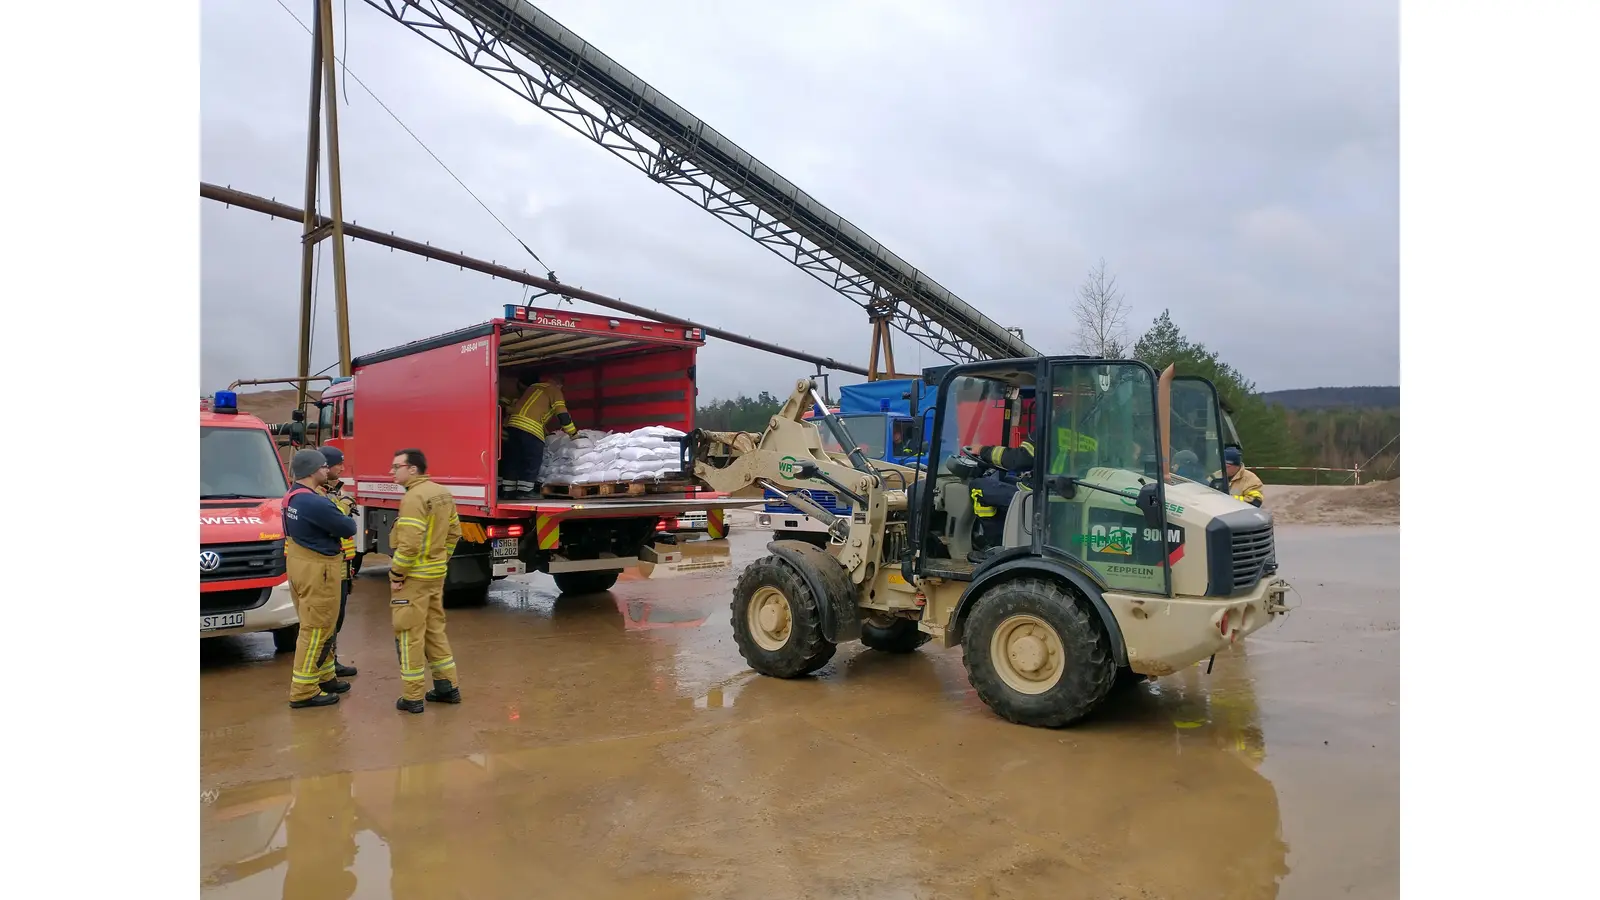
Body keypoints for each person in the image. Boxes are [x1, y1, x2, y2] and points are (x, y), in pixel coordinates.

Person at [388, 448, 464, 714]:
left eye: (396, 466)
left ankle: (412, 697)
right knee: (434, 630)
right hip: (434, 575)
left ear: (412, 469)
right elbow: (455, 532)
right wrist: (442, 560)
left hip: (414, 579)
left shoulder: (413, 498)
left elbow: (408, 545)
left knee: (409, 634)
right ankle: (447, 687)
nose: (391, 471)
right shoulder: (442, 492)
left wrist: (397, 574)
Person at [282, 449, 358, 709]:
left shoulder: (292, 497)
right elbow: (349, 528)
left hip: (301, 567)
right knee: (316, 630)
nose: (328, 470)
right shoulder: (314, 502)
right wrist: (346, 505)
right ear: (312, 470)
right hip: (319, 571)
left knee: (320, 626)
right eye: (324, 467)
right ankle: (304, 690)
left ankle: (325, 676)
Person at [502, 372, 580, 499]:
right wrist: (573, 434)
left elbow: (531, 412)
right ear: (559, 385)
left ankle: (508, 492)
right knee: (532, 460)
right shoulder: (555, 391)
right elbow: (562, 414)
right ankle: (525, 492)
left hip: (513, 426)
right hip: (530, 428)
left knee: (514, 460)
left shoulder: (532, 388)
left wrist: (547, 433)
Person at [318, 446, 359, 679]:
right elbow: (335, 522)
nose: (342, 468)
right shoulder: (319, 494)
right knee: (328, 620)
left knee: (338, 618)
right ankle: (324, 668)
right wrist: (344, 504)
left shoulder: (331, 491)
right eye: (337, 464)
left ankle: (331, 662)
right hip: (328, 568)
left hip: (341, 567)